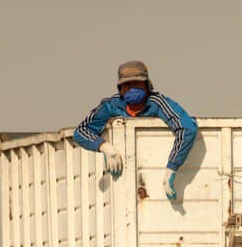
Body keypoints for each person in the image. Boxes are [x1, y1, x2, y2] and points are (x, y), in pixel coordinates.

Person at [72, 61, 197, 201]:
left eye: (136, 84)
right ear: (120, 89)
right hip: (122, 188)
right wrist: (105, 147)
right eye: (127, 85)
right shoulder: (111, 105)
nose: (132, 89)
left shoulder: (158, 103)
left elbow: (187, 128)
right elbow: (81, 131)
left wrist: (172, 167)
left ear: (147, 86)